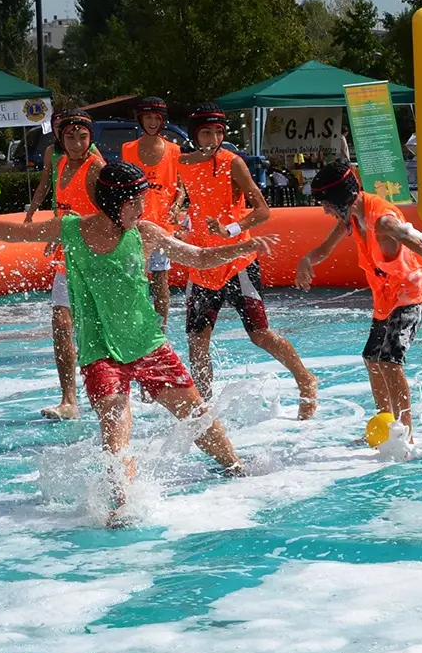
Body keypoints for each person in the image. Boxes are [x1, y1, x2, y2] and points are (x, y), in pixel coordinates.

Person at [0, 161, 265, 520]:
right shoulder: (71, 230)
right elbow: (12, 233)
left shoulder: (145, 233)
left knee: (196, 417)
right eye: (135, 201)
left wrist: (243, 247)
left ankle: (237, 470)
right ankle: (123, 504)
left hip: (149, 345)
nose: (142, 208)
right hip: (100, 352)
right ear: (114, 200)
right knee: (115, 425)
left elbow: (198, 257)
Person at [296, 163, 422, 442]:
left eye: (325, 204)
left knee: (389, 360)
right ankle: (387, 424)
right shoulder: (349, 216)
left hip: (413, 289)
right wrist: (305, 260)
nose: (324, 210)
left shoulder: (384, 222)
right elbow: (324, 250)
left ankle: (405, 435)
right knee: (371, 358)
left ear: (339, 197)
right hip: (386, 293)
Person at [178, 104, 319, 419]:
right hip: (201, 262)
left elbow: (263, 210)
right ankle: (203, 407)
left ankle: (305, 379)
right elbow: (187, 201)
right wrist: (182, 219)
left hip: (237, 260)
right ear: (193, 135)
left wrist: (230, 228)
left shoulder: (233, 163)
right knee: (197, 338)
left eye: (218, 132)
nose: (213, 138)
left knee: (259, 333)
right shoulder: (180, 164)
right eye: (205, 132)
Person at [23, 111, 106, 420]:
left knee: (97, 328)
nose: (76, 142)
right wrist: (50, 224)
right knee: (60, 324)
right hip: (67, 255)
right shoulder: (58, 162)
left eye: (82, 136)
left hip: (94, 257)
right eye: (70, 136)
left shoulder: (96, 167)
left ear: (90, 138)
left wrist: (69, 231)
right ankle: (69, 400)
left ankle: (115, 389)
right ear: (60, 138)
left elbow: (109, 218)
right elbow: (57, 199)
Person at [121, 96, 183, 324]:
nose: (152, 122)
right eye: (147, 117)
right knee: (132, 277)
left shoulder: (175, 150)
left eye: (156, 118)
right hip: (132, 226)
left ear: (162, 120)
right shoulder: (127, 149)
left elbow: (182, 187)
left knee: (160, 279)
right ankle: (134, 324)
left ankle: (161, 328)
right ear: (140, 119)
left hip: (161, 227)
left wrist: (177, 206)